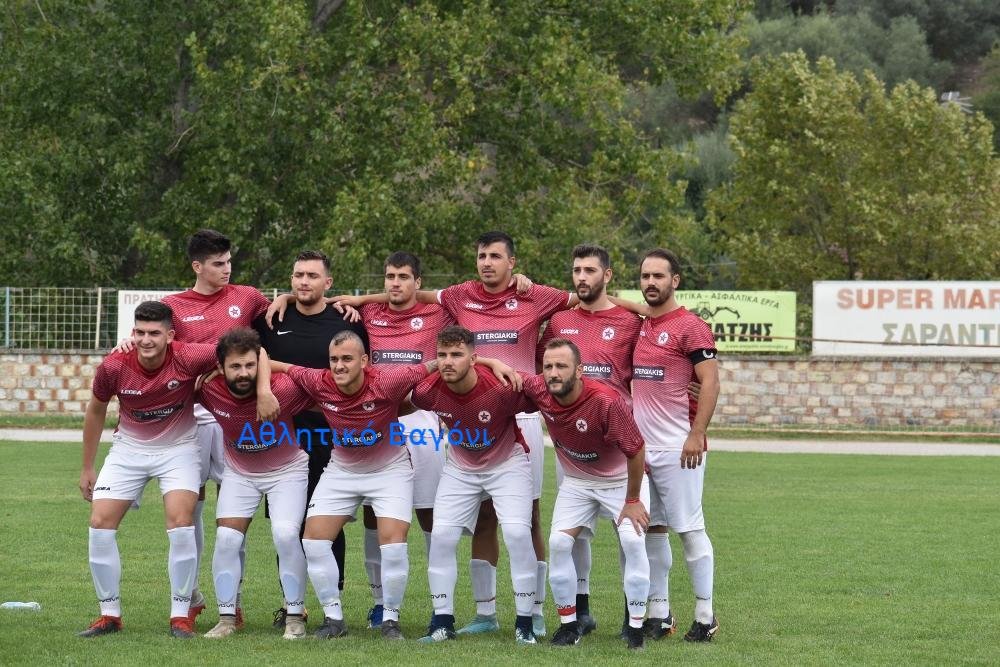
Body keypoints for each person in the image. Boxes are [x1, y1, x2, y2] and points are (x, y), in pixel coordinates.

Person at [333, 232, 569, 637]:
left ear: (512, 261)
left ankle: (535, 611)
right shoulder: (459, 296)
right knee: (472, 520)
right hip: (452, 415)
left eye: (496, 256)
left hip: (514, 413)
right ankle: (483, 612)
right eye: (482, 256)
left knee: (524, 520)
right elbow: (413, 294)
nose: (488, 262)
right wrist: (359, 300)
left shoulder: (536, 295)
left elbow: (585, 299)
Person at [78, 301, 234, 638]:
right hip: (128, 450)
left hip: (179, 449)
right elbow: (95, 411)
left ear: (170, 335)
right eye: (140, 332)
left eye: (154, 333)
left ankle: (181, 614)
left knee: (181, 522)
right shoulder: (114, 365)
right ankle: (109, 614)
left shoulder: (189, 355)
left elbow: (241, 353)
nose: (146, 340)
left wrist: (230, 379)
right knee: (99, 523)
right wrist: (87, 466)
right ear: (132, 332)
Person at [159, 229, 277, 624]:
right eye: (217, 263)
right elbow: (152, 346)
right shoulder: (172, 306)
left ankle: (234, 600)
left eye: (229, 261)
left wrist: (291, 296)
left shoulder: (248, 297)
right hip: (188, 419)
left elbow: (275, 332)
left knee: (234, 512)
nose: (227, 269)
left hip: (235, 418)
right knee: (187, 509)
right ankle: (190, 598)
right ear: (197, 266)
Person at [253, 250, 368, 630]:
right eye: (298, 275)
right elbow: (251, 359)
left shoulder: (346, 321)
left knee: (325, 522)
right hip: (283, 435)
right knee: (287, 524)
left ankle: (330, 603)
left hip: (330, 434)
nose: (303, 282)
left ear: (328, 283)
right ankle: (294, 606)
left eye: (312, 276)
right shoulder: (272, 318)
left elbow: (361, 372)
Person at [537, 243, 642, 635]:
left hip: (616, 441)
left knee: (629, 537)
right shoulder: (561, 322)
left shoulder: (631, 321)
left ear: (607, 275)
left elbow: (650, 367)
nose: (582, 277)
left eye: (590, 270)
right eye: (577, 270)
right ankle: (580, 610)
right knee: (572, 535)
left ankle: (635, 616)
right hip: (574, 452)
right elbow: (545, 371)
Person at [410, 326, 539, 645]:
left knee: (518, 532)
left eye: (456, 354)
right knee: (441, 535)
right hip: (461, 466)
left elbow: (544, 395)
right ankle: (442, 622)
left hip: (507, 462)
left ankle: (525, 624)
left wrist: (499, 364)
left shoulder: (502, 386)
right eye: (442, 355)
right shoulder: (427, 391)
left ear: (474, 358)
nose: (448, 362)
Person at [522, 339, 649, 650]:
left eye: (561, 366)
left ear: (579, 370)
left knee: (632, 542)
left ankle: (635, 629)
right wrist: (490, 363)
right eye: (548, 366)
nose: (553, 373)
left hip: (620, 481)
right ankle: (569, 626)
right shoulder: (540, 389)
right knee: (558, 543)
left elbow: (636, 450)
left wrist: (632, 501)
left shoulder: (606, 401)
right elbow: (509, 373)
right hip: (577, 482)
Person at [195, 328, 314, 640]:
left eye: (250, 365)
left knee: (286, 534)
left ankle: (295, 617)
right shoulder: (207, 390)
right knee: (226, 539)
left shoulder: (283, 389)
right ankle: (226, 619)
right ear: (220, 368)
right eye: (235, 366)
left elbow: (330, 391)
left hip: (287, 470)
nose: (244, 373)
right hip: (239, 473)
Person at [356, 252, 455, 628]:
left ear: (418, 282)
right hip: (378, 420)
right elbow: (335, 303)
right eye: (389, 277)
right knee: (373, 510)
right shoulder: (370, 314)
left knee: (430, 512)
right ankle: (380, 601)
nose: (395, 283)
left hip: (423, 421)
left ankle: (439, 604)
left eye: (403, 277)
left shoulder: (439, 314)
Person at [631, 248, 721, 642]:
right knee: (653, 531)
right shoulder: (641, 323)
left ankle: (705, 615)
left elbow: (711, 381)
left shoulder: (692, 327)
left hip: (678, 447)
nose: (651, 283)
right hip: (641, 450)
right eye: (645, 276)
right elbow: (624, 303)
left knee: (689, 529)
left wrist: (697, 433)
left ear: (675, 281)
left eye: (659, 276)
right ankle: (660, 612)